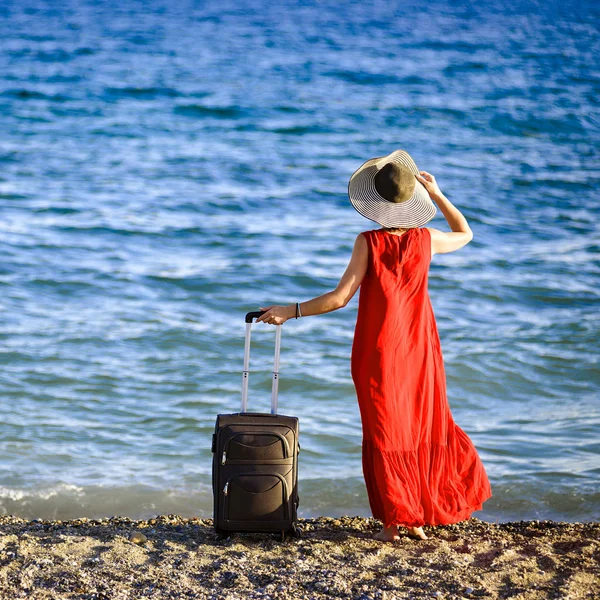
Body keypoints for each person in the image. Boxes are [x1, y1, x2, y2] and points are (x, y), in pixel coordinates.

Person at [256, 149, 492, 542]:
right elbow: (465, 233)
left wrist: (289, 310)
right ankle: (412, 516)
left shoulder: (368, 242)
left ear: (376, 205)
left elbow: (339, 298)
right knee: (418, 426)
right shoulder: (426, 240)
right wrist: (438, 195)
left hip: (379, 350)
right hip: (420, 348)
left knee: (385, 430)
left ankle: (397, 520)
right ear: (411, 203)